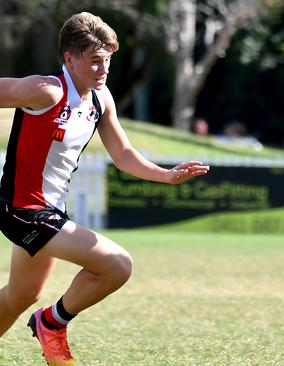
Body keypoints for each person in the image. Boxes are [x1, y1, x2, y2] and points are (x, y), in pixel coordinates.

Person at [0, 12, 209, 365]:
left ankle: (44, 319)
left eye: (108, 60)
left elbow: (124, 155)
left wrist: (167, 176)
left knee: (19, 296)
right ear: (70, 58)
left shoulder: (100, 99)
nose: (103, 70)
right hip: (23, 210)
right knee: (117, 265)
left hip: (51, 213)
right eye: (95, 61)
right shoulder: (46, 90)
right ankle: (51, 324)